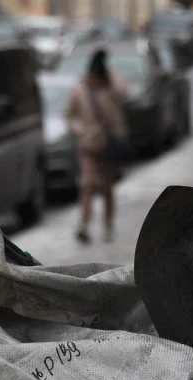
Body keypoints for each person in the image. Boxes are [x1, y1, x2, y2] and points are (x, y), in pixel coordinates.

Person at [64, 48, 128, 244]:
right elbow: (69, 115)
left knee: (108, 187)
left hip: (108, 145)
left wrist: (110, 76)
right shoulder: (80, 90)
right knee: (87, 184)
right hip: (88, 146)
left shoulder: (110, 89)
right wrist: (82, 130)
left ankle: (108, 225)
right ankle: (84, 224)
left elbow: (124, 94)